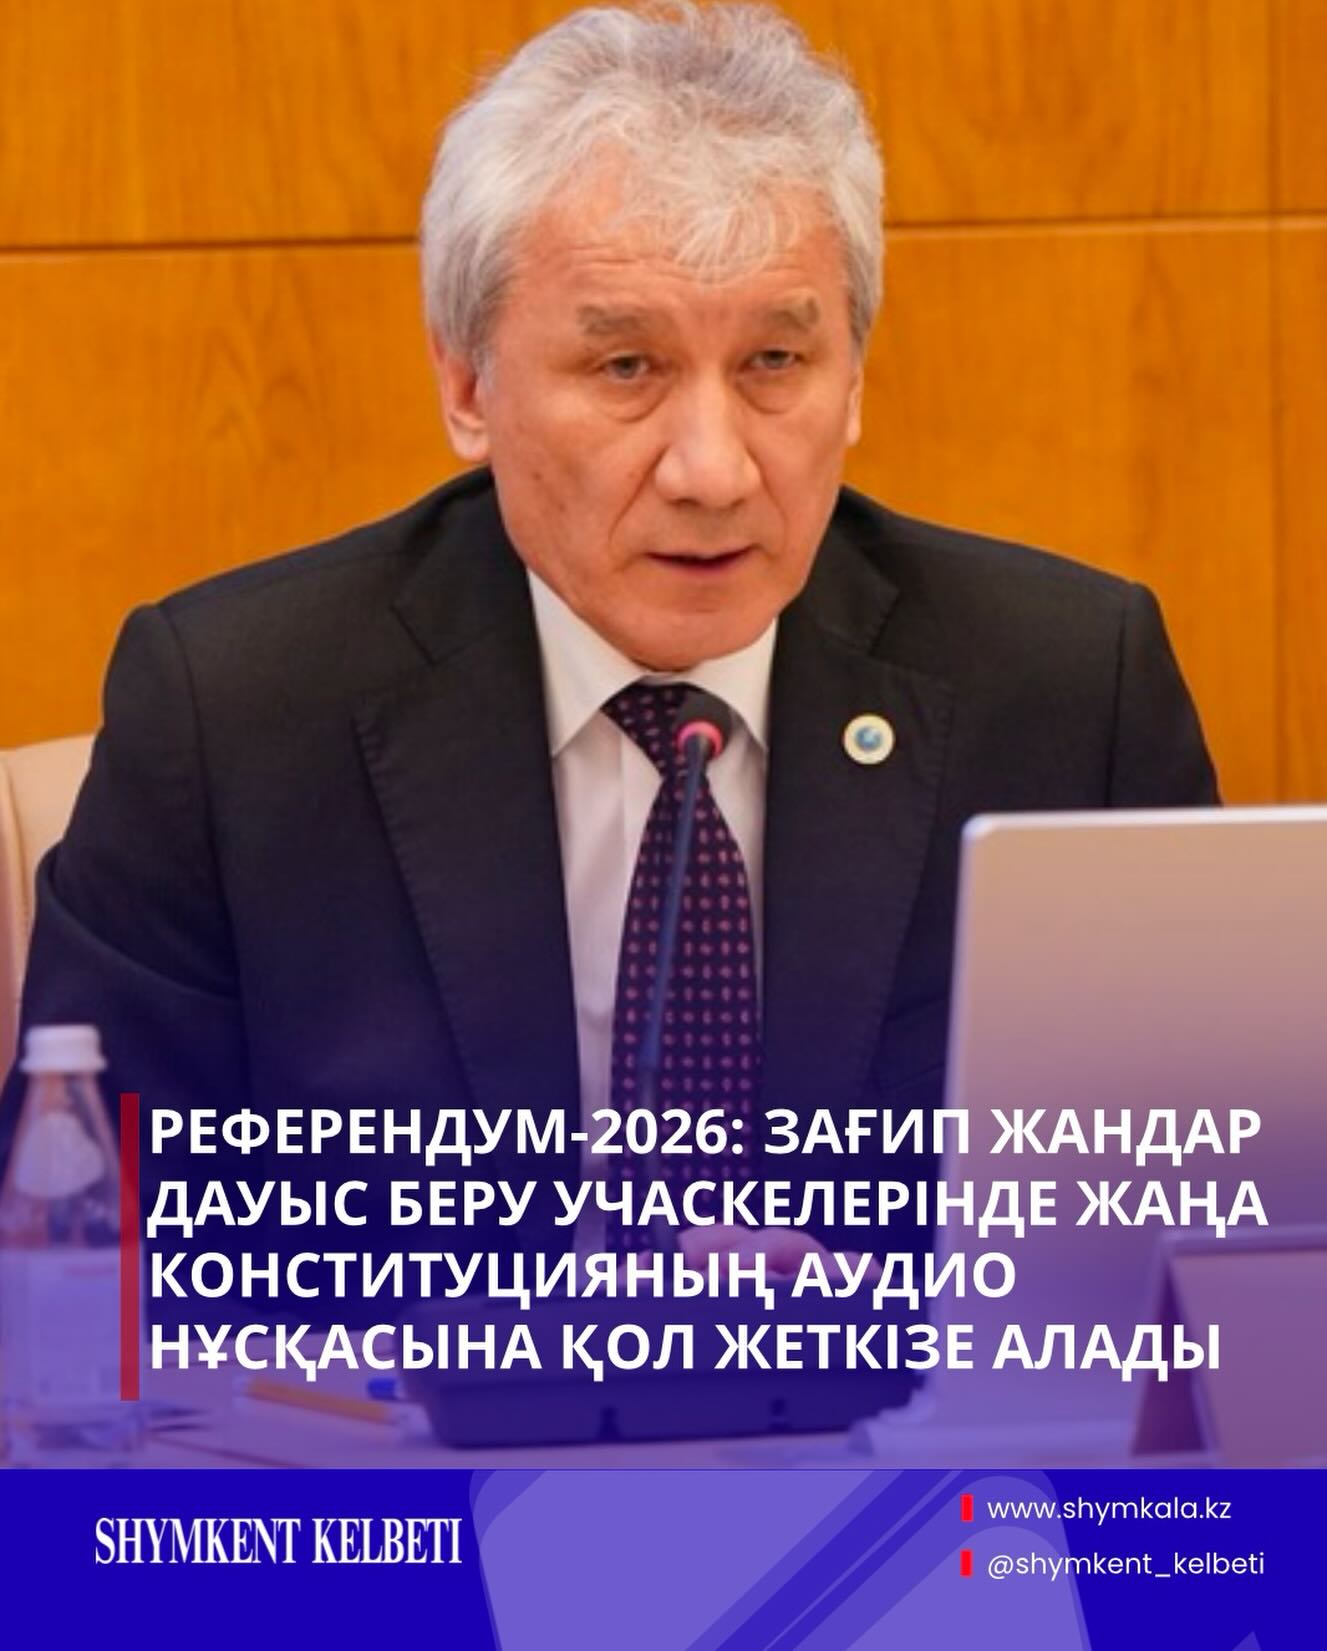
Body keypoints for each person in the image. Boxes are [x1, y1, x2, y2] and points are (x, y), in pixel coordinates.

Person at [1, 3, 1216, 1311]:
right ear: (468, 386)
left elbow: (1201, 1226)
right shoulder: (235, 713)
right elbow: (92, 1269)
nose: (714, 470)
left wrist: (881, 1318)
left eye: (776, 361)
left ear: (855, 377)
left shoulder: (1066, 692)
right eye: (627, 365)